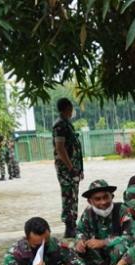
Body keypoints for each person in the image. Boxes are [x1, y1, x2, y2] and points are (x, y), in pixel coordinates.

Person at [74, 179, 131, 265]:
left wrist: (104, 242)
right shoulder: (88, 213)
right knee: (75, 249)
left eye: (106, 197)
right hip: (99, 260)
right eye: (97, 199)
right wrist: (80, 241)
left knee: (120, 247)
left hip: (119, 262)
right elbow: (79, 231)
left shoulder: (123, 210)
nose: (103, 202)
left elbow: (130, 238)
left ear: (112, 197)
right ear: (90, 201)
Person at [53, 97, 84, 237]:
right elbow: (60, 148)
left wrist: (78, 169)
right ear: (67, 108)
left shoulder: (67, 124)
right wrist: (71, 168)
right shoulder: (60, 125)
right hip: (66, 169)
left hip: (72, 168)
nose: (73, 111)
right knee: (68, 196)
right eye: (71, 108)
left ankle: (72, 224)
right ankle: (69, 226)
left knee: (73, 195)